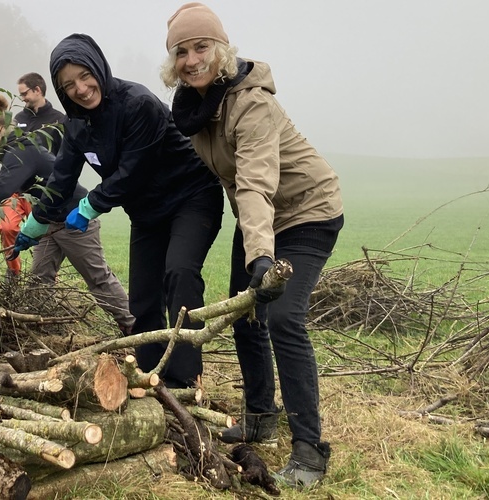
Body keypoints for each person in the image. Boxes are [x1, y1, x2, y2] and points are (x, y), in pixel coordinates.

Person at [160, 2, 345, 488]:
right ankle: (261, 416)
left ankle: (308, 450)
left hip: (307, 210)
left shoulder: (252, 103)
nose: (192, 58)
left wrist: (261, 256)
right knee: (245, 315)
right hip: (259, 219)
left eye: (201, 47)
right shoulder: (196, 109)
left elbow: (255, 183)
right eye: (181, 51)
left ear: (221, 50)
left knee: (283, 317)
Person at [11, 34, 224, 388]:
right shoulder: (76, 124)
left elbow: (132, 171)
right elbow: (62, 178)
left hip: (191, 196)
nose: (80, 88)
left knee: (180, 274)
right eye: (68, 85)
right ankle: (149, 377)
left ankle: (184, 380)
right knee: (142, 297)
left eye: (84, 76)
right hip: (147, 212)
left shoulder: (138, 103)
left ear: (98, 68)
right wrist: (34, 223)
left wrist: (90, 206)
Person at [0, 94, 135, 332]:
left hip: (74, 220)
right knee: (39, 281)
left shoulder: (19, 152)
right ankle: (45, 332)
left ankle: (136, 329)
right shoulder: (17, 149)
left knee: (98, 279)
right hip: (48, 221)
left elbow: (3, 190)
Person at [14, 72, 67, 155]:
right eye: (21, 95)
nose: (22, 99)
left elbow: (65, 154)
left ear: (37, 90)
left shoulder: (59, 120)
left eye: (24, 94)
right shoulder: (18, 119)